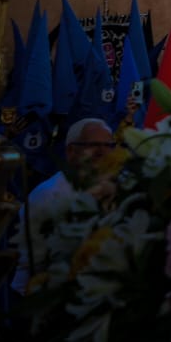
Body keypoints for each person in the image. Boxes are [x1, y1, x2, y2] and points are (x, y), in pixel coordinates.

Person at [15, 118, 115, 293]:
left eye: (109, 146)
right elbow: (29, 264)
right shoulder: (47, 195)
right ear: (70, 152)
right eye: (94, 146)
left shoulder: (119, 189)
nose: (103, 152)